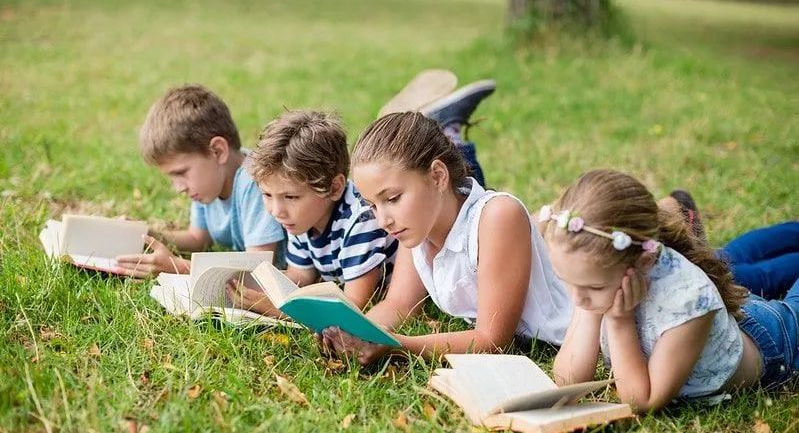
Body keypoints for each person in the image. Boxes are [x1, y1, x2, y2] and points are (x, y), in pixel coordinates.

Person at [320, 111, 572, 365]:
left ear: (438, 176)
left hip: (571, 336)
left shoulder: (497, 216)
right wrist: (356, 334)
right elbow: (398, 304)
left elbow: (493, 340)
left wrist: (396, 345)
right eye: (372, 205)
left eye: (393, 198)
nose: (383, 220)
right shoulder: (416, 228)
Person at [541, 169, 798, 412]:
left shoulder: (688, 299)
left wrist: (620, 322)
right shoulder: (591, 278)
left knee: (766, 277)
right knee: (734, 261)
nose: (577, 298)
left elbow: (641, 400)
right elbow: (568, 381)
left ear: (642, 261)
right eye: (568, 281)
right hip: (725, 326)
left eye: (593, 287)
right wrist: (590, 311)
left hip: (776, 340)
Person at [226, 110, 398, 314]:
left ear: (334, 188)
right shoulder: (301, 219)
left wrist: (277, 308)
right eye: (267, 195)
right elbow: (301, 275)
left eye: (290, 197)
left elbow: (353, 305)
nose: (276, 211)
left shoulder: (361, 219)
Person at [115, 84, 285, 277]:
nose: (179, 188)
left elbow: (257, 269)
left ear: (218, 151)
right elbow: (198, 238)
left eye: (181, 173)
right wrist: (147, 234)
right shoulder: (210, 184)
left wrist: (178, 267)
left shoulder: (256, 181)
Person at [660, 192, 799, 299]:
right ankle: (687, 248)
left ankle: (690, 250)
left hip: (714, 260)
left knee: (753, 245)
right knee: (765, 273)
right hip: (698, 280)